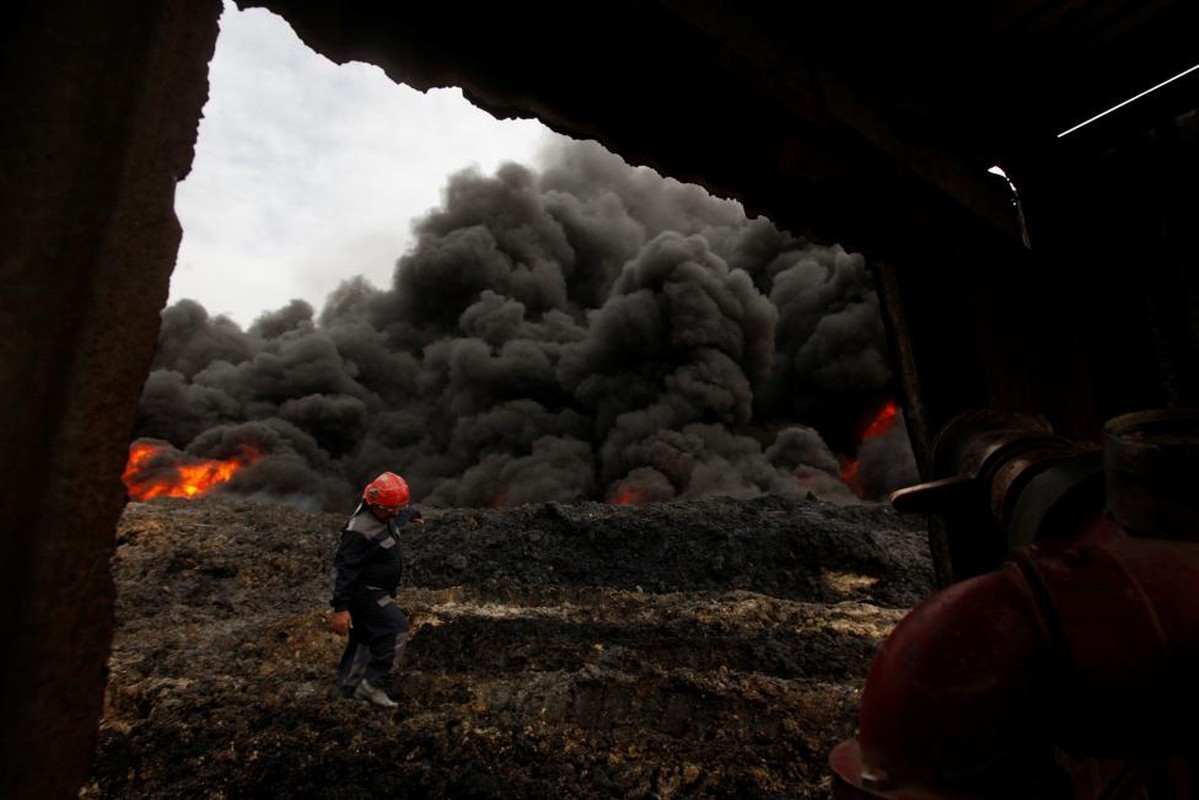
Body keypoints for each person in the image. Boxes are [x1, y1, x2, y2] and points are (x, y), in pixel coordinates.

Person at [329, 471, 424, 708]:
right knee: (396, 628)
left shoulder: (384, 513)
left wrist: (411, 514)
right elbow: (344, 570)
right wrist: (340, 609)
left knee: (363, 638)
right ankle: (372, 685)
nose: (395, 514)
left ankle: (347, 691)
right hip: (366, 594)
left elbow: (395, 516)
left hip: (376, 590)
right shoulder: (358, 532)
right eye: (391, 509)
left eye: (399, 509)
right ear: (375, 504)